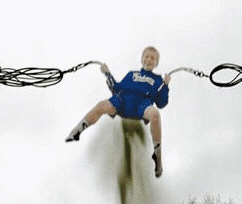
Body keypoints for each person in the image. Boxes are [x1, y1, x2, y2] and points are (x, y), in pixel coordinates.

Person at [65, 46, 171, 177]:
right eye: (146, 56)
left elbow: (161, 103)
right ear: (142, 59)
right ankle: (77, 130)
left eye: (152, 58)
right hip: (122, 101)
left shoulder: (158, 79)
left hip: (142, 104)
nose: (149, 59)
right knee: (102, 105)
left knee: (155, 114)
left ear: (156, 63)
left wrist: (166, 85)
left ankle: (157, 156)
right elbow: (116, 88)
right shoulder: (131, 74)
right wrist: (107, 73)